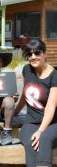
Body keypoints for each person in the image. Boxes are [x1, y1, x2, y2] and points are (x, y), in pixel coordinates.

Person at [14, 39, 57, 167]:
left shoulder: (54, 75)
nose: (33, 57)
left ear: (45, 54)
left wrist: (40, 131)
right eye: (29, 54)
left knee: (43, 139)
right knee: (30, 142)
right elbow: (26, 93)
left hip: (53, 122)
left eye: (37, 53)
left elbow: (51, 106)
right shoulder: (27, 70)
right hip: (31, 121)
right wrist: (16, 111)